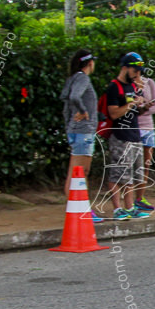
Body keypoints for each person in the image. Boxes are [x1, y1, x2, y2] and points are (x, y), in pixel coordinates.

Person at [104, 52, 151, 220]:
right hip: (120, 136)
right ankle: (117, 209)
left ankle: (130, 208)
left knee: (132, 175)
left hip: (134, 135)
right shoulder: (114, 87)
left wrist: (142, 106)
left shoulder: (132, 87)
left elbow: (133, 112)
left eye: (140, 71)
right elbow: (114, 113)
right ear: (125, 68)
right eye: (135, 70)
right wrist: (131, 103)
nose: (138, 74)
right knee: (117, 174)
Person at [60, 49, 101, 222]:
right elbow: (75, 97)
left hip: (75, 130)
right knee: (80, 172)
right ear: (90, 63)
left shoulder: (72, 79)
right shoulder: (82, 78)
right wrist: (84, 112)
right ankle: (81, 209)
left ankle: (76, 208)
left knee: (75, 172)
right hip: (83, 131)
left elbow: (66, 103)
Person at [133, 71, 155, 212]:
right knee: (132, 164)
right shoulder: (127, 84)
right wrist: (143, 106)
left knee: (145, 165)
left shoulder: (149, 83)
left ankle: (140, 198)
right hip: (133, 128)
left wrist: (141, 108)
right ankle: (126, 200)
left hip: (148, 128)